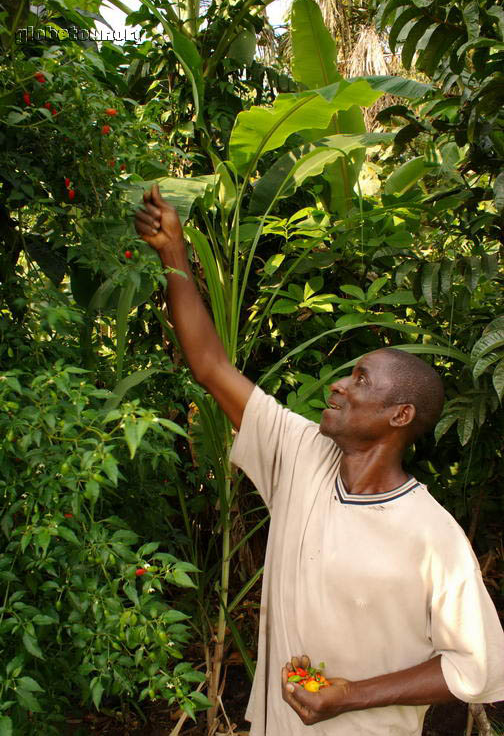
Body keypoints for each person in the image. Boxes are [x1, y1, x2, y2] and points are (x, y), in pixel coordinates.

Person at [135, 185, 504, 736]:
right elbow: (210, 363)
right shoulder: (301, 454)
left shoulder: (432, 536)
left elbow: (477, 665)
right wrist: (174, 255)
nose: (337, 386)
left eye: (360, 380)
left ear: (399, 416)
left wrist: (351, 697)